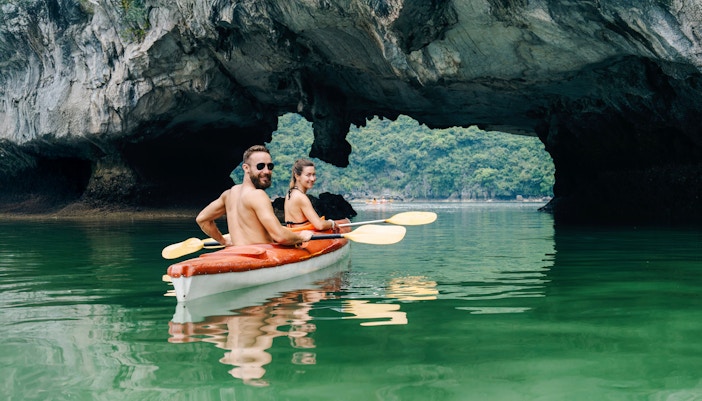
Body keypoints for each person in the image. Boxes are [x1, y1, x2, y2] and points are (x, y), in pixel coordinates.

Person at [196, 145, 313, 246]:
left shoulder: (228, 194)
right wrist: (301, 237)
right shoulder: (258, 195)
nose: (267, 171)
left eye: (270, 166)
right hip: (260, 257)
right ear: (246, 168)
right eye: (260, 166)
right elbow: (280, 236)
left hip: (237, 253)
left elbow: (202, 219)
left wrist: (223, 241)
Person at [284, 158, 337, 231]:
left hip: (294, 234)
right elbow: (320, 225)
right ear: (297, 176)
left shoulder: (290, 193)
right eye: (308, 175)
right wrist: (332, 223)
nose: (312, 179)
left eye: (313, 174)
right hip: (301, 238)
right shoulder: (301, 197)